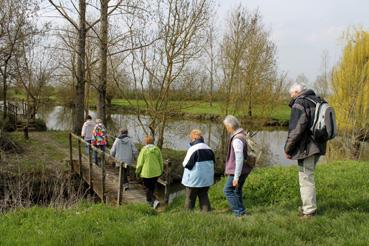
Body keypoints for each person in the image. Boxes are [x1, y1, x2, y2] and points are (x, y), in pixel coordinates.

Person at [284, 83, 326, 218]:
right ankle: (308, 206)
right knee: (309, 176)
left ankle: (309, 211)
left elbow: (296, 129)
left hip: (307, 148)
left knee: (306, 178)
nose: (292, 98)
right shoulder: (318, 100)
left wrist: (288, 149)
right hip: (319, 145)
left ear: (297, 92)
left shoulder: (300, 103)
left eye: (292, 95)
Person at [223, 115, 252, 217]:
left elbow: (239, 159)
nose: (226, 128)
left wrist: (236, 176)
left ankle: (239, 212)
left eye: (226, 126)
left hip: (237, 171)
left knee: (228, 190)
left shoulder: (237, 139)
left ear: (231, 126)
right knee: (237, 190)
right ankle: (242, 211)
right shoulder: (243, 134)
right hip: (245, 169)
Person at [182, 129, 215, 212]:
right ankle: (206, 215)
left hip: (193, 179)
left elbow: (187, 165)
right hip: (206, 179)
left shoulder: (193, 149)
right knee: (204, 196)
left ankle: (187, 216)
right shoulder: (209, 148)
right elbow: (213, 163)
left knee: (190, 198)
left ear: (193, 138)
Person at [136, 136, 163, 209]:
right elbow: (161, 161)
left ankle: (151, 202)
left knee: (147, 187)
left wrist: (137, 172)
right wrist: (161, 171)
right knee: (152, 187)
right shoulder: (157, 149)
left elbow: (140, 163)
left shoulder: (144, 150)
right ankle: (152, 202)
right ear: (152, 141)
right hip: (156, 172)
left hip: (146, 172)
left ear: (146, 142)